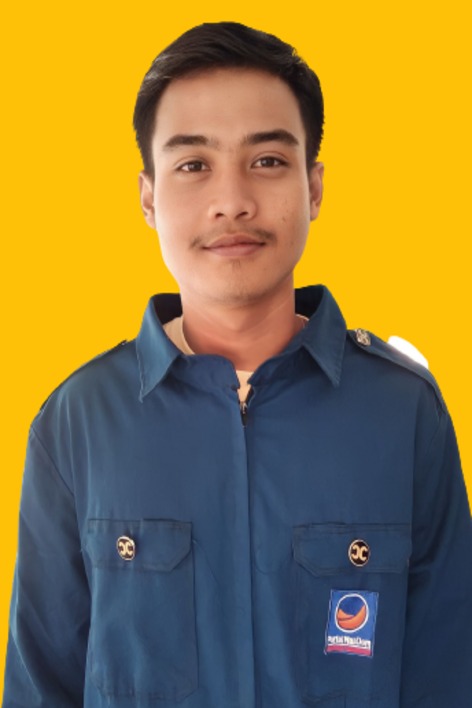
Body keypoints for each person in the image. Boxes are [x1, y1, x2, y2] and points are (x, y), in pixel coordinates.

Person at [3, 21, 472, 708]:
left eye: (268, 160)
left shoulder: (404, 414)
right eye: (194, 165)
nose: (232, 201)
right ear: (148, 197)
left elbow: (449, 675)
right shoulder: (77, 423)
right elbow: (41, 685)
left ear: (314, 188)